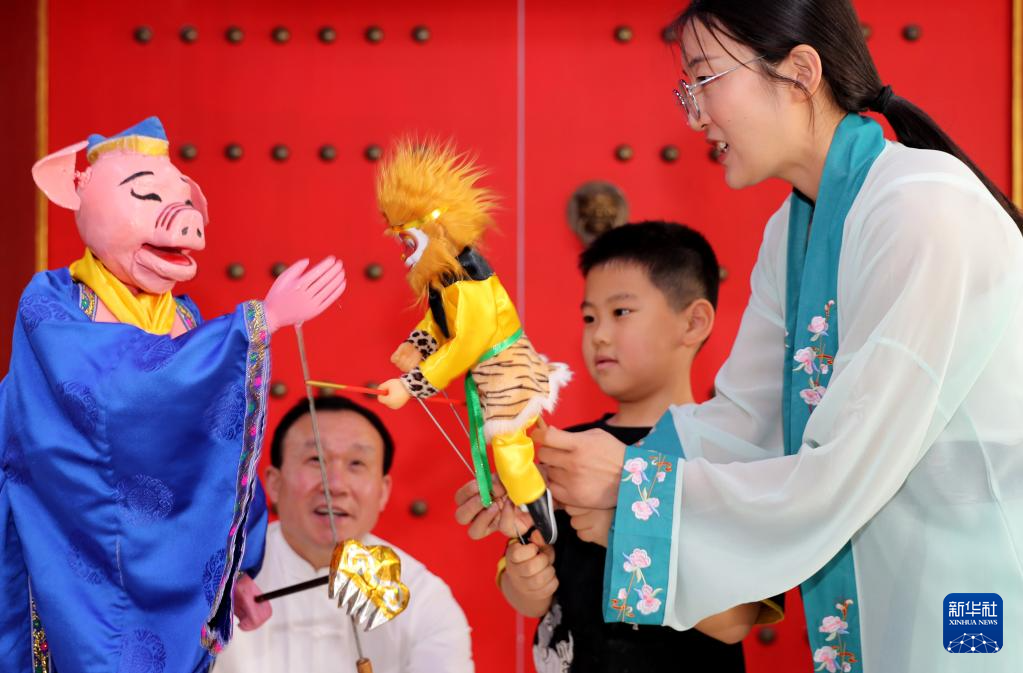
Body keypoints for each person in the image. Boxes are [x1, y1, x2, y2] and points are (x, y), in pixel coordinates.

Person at [531, 1, 1023, 671]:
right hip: (888, 578)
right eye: (686, 89)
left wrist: (632, 483)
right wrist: (560, 468)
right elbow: (747, 422)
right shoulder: (792, 229)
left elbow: (848, 462)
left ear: (798, 72)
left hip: (970, 589)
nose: (695, 116)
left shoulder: (921, 207)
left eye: (705, 79)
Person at [457, 222, 783, 672]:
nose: (599, 335)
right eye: (590, 318)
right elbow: (534, 601)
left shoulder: (725, 454)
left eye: (621, 312)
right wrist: (526, 573)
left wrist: (622, 528)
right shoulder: (564, 448)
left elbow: (734, 621)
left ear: (693, 322)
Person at [215, 395, 474, 673]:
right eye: (315, 459)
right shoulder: (218, 580)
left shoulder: (423, 597)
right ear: (274, 484)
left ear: (383, 492)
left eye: (356, 464)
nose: (335, 486)